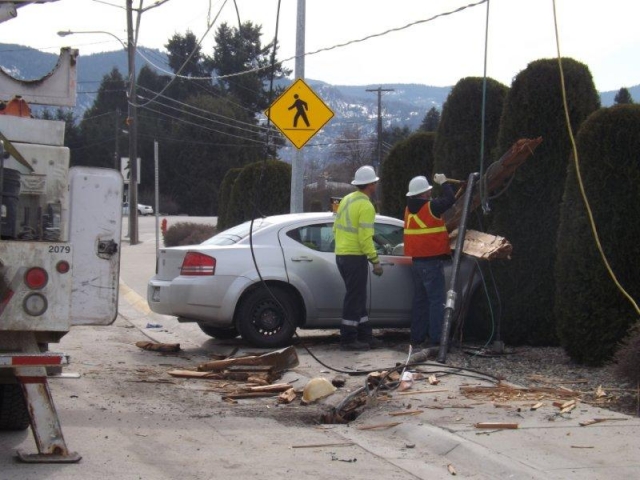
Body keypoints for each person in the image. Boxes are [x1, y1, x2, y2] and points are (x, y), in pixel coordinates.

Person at [404, 173, 456, 358]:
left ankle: (417, 338)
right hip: (432, 261)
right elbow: (450, 199)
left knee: (420, 301)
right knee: (436, 301)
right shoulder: (431, 207)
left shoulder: (409, 210)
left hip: (417, 261)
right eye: (429, 190)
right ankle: (436, 339)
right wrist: (445, 183)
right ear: (425, 193)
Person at [333, 165, 384, 351]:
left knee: (358, 297)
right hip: (355, 256)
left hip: (342, 255)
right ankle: (348, 339)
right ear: (370, 184)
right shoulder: (366, 205)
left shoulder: (346, 199)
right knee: (354, 298)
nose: (376, 185)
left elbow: (335, 227)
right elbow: (365, 238)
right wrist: (375, 260)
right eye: (375, 183)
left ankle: (365, 336)